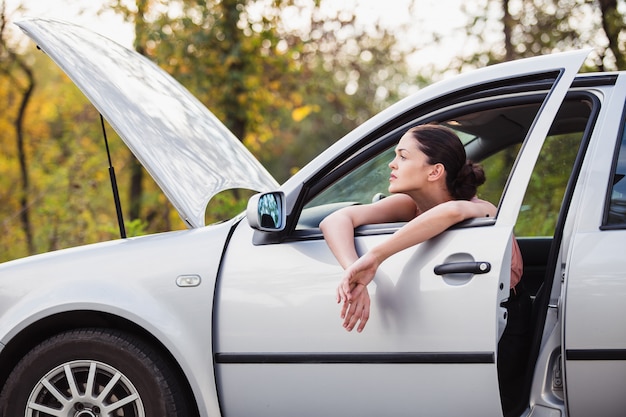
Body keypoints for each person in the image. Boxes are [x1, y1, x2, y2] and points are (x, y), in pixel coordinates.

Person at [319, 123, 528, 413]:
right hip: (450, 321)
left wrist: (376, 256)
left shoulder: (482, 208)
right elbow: (335, 220)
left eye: (403, 156)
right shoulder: (410, 205)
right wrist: (354, 272)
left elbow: (451, 213)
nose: (392, 163)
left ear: (434, 171)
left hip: (506, 325)